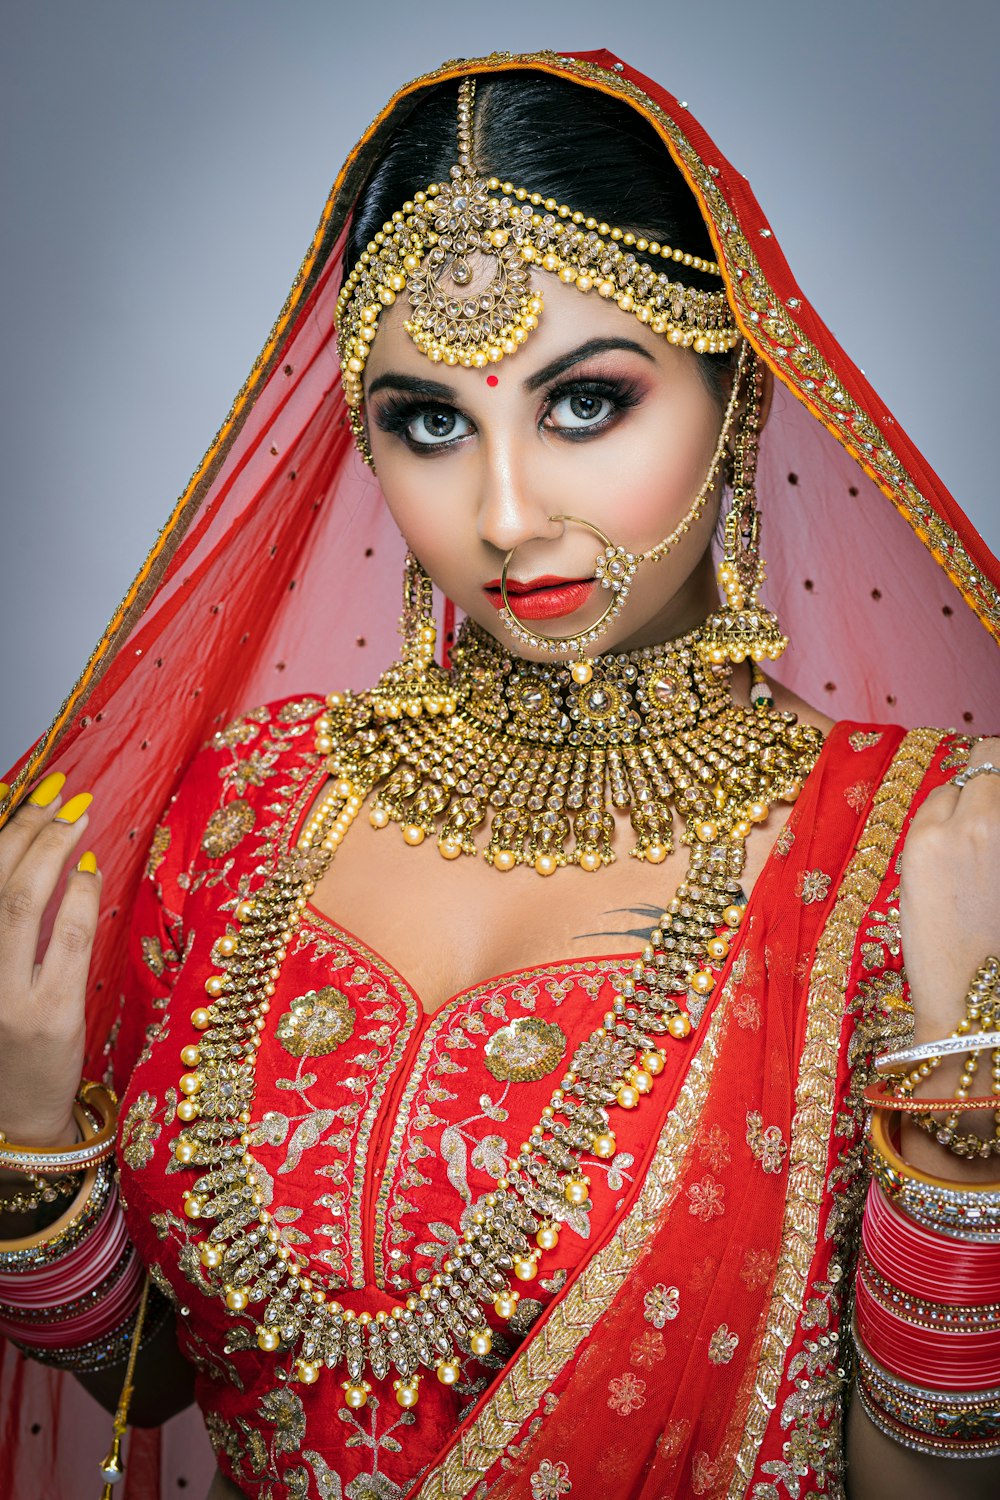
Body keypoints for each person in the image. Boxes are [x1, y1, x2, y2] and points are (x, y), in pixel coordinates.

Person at [1, 48, 999, 1500]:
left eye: (585, 403)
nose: (503, 510)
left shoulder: (913, 855)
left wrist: (963, 1122)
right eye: (428, 421)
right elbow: (165, 1378)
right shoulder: (246, 807)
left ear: (741, 397)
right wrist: (32, 1152)